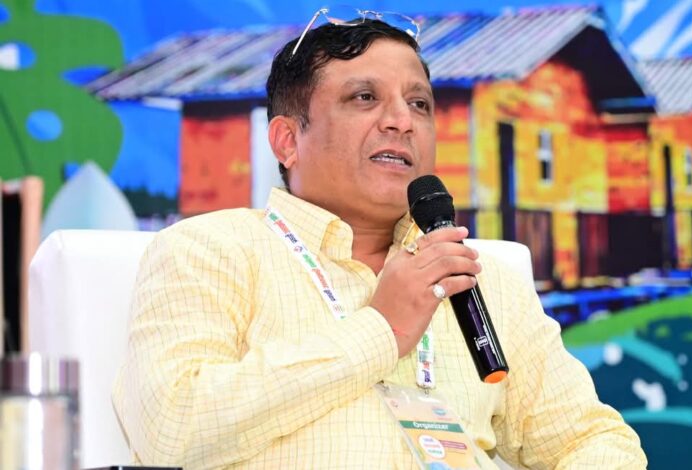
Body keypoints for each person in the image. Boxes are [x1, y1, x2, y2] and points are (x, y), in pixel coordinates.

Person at [113, 12, 647, 470]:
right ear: (287, 140)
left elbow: (594, 441)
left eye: (420, 104)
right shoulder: (209, 250)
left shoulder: (481, 280)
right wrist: (381, 329)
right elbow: (169, 428)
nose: (401, 122)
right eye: (364, 97)